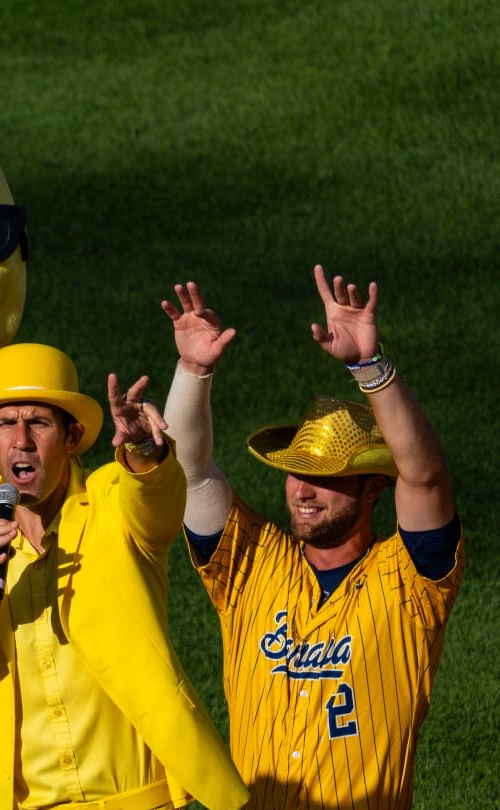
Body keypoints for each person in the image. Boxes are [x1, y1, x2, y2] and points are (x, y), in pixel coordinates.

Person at [0, 342, 248, 810]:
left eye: (38, 422)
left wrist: (143, 448)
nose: (21, 439)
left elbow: (159, 501)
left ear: (72, 436)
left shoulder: (114, 499)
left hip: (139, 801)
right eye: (6, 423)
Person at [160, 268, 463, 807]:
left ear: (374, 488)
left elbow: (425, 476)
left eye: (327, 477)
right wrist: (191, 371)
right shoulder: (251, 563)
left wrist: (369, 368)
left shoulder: (411, 583)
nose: (303, 489)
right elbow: (189, 474)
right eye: (297, 470)